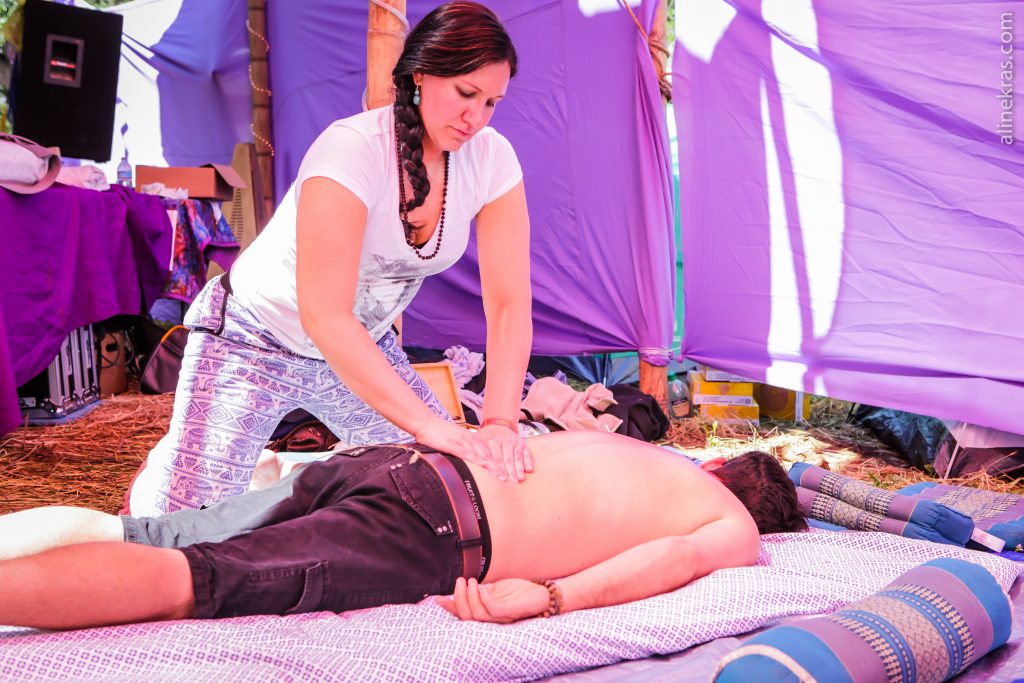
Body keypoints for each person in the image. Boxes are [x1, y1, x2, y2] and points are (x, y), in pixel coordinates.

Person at [128, 1, 534, 517]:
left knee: (448, 492)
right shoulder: (351, 150)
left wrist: (500, 422)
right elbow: (325, 314)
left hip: (359, 346)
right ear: (421, 74)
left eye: (492, 102)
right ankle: (166, 474)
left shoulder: (493, 160)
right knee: (179, 527)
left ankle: (262, 472)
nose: (476, 118)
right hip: (252, 340)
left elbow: (508, 302)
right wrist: (433, 425)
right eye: (466, 93)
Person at [0, 432, 807, 630]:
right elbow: (673, 556)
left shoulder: (650, 452)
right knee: (198, 582)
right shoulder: (734, 524)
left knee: (149, 533)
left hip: (398, 463)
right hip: (436, 524)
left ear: (719, 463)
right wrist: (552, 596)